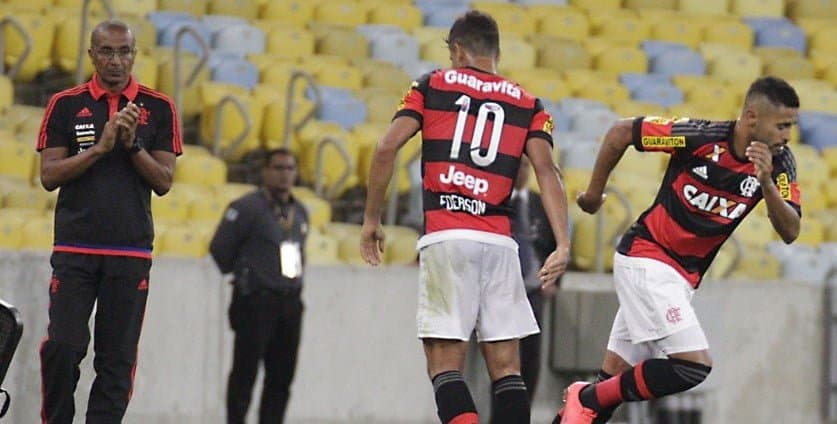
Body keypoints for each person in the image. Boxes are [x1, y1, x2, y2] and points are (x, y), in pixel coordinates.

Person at [360, 11, 571, 424]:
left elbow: (386, 148)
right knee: (508, 369)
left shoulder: (432, 85)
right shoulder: (528, 103)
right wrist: (562, 243)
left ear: (457, 50)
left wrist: (372, 219)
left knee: (444, 364)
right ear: (497, 53)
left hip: (448, 236)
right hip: (501, 244)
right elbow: (548, 171)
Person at [556, 76, 802, 424]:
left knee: (605, 394)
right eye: (781, 125)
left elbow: (791, 230)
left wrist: (765, 183)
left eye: (791, 126)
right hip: (647, 258)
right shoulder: (697, 137)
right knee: (692, 366)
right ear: (751, 117)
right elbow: (621, 132)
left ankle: (589, 400)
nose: (787, 135)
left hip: (682, 279)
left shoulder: (779, 165)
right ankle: (586, 396)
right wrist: (594, 194)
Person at [37, 19, 181, 423]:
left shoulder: (159, 107)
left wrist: (132, 145)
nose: (115, 61)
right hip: (75, 249)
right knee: (62, 347)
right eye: (106, 51)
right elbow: (49, 176)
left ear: (134, 55)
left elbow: (164, 182)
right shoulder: (65, 104)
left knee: (116, 361)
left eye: (124, 52)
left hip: (129, 251)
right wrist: (100, 149)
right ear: (91, 55)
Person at [209, 148, 309, 424]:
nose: (284, 174)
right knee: (245, 372)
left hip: (289, 301)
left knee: (282, 376)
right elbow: (220, 248)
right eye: (278, 168)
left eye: (290, 168)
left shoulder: (300, 212)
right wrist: (245, 274)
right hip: (255, 300)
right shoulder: (247, 208)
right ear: (265, 171)